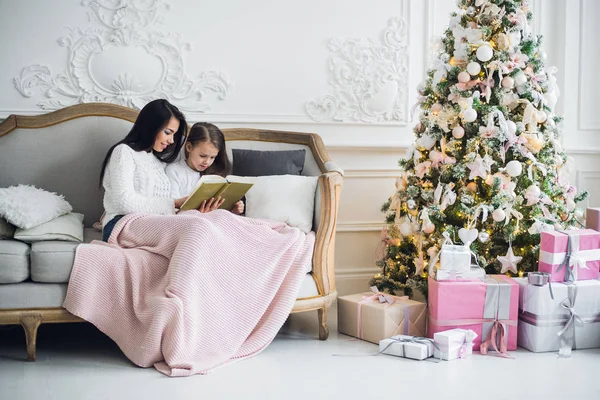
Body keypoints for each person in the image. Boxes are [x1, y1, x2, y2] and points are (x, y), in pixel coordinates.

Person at [98, 99, 222, 242]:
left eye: (174, 135)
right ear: (151, 127)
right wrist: (175, 203)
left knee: (219, 220)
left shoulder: (159, 162)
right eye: (168, 132)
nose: (172, 140)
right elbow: (124, 202)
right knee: (197, 227)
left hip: (152, 222)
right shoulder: (124, 152)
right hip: (122, 224)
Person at [166, 122, 244, 215]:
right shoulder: (174, 171)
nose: (207, 162)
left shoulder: (215, 174)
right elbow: (171, 209)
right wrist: (198, 212)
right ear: (189, 147)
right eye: (203, 156)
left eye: (212, 157)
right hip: (190, 221)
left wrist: (234, 209)